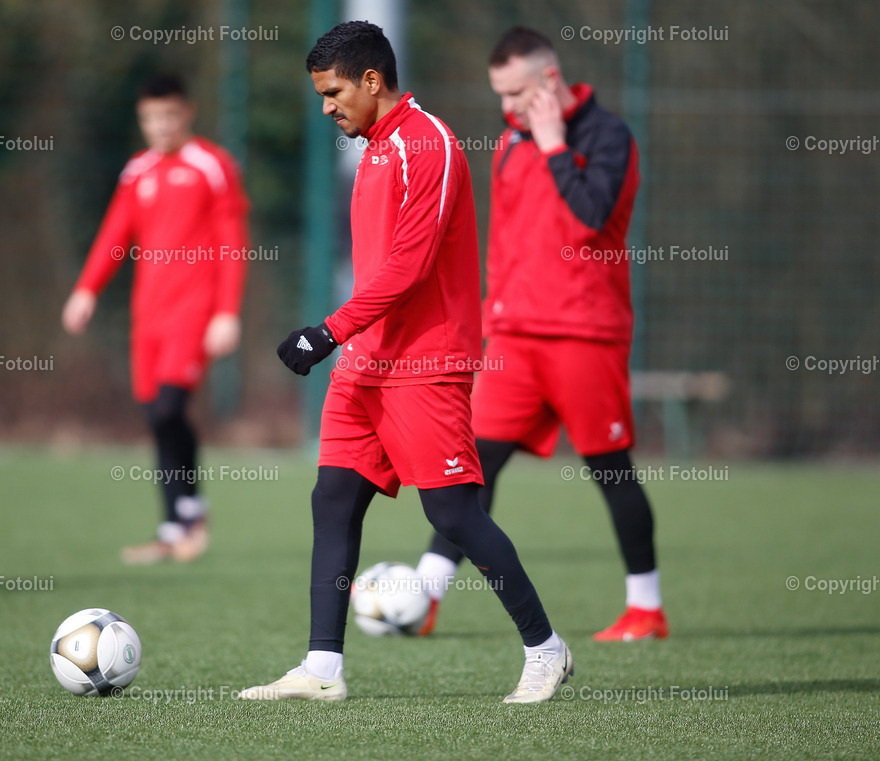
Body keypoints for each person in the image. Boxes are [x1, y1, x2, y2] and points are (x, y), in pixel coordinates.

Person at [239, 21, 572, 704]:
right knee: (333, 501)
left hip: (425, 363)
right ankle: (322, 668)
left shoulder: (431, 143)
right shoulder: (374, 150)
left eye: (333, 93)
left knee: (453, 514)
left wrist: (324, 332)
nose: (327, 107)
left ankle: (546, 649)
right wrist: (347, 341)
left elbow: (411, 266)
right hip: (365, 364)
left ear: (371, 79)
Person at [414, 27, 668, 642]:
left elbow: (590, 218)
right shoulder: (510, 140)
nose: (507, 106)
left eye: (517, 91)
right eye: (499, 94)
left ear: (550, 80)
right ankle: (423, 596)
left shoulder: (609, 136)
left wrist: (555, 147)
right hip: (513, 339)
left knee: (609, 467)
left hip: (584, 333)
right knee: (472, 464)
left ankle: (646, 608)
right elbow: (505, 241)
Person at [61, 74, 250, 565]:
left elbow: (233, 242)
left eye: (168, 116)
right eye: (150, 118)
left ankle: (190, 513)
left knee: (169, 409)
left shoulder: (213, 166)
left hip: (194, 312)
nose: (160, 126)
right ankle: (175, 527)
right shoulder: (137, 172)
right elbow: (114, 235)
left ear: (187, 112)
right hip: (148, 317)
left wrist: (227, 311)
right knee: (155, 418)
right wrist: (86, 289)